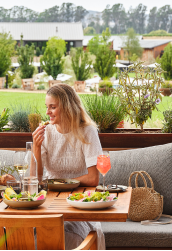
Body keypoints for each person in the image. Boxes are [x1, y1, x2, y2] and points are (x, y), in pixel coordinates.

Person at [32, 84, 106, 250]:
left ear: (67, 107)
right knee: (28, 233)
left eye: (53, 107)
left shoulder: (87, 131)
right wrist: (36, 147)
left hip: (80, 204)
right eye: (47, 107)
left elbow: (93, 178)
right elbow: (34, 181)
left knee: (68, 234)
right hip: (49, 204)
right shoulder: (46, 132)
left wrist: (59, 182)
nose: (47, 112)